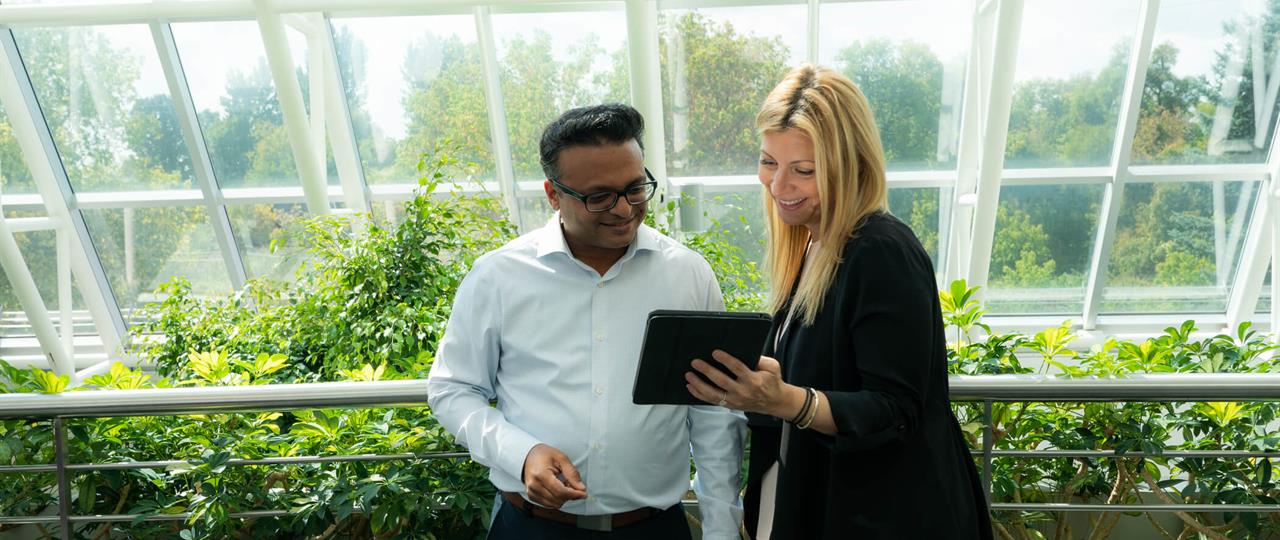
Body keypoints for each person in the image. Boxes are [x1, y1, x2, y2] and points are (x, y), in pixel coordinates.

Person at [683, 65, 993, 539]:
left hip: (878, 517)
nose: (778, 186)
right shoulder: (808, 245)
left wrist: (787, 400)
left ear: (853, 165)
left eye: (803, 170)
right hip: (821, 502)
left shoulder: (879, 250)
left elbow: (896, 409)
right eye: (769, 162)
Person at [427, 103, 746, 540]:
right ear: (553, 194)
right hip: (531, 527)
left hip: (654, 529)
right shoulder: (497, 277)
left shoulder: (687, 274)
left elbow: (712, 412)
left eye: (636, 188)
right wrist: (523, 454)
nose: (624, 209)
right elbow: (452, 389)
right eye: (599, 197)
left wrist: (722, 530)